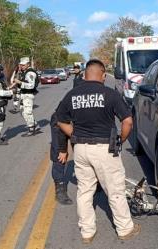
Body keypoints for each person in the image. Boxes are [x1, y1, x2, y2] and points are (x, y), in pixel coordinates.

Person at [56, 59, 140, 244]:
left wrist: (74, 134)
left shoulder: (72, 94)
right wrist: (121, 139)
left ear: (85, 75)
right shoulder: (110, 94)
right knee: (115, 190)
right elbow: (127, 121)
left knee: (85, 191)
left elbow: (60, 120)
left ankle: (87, 232)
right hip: (104, 150)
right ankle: (125, 229)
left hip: (80, 150)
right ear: (103, 75)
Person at [50, 105, 73, 205]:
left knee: (84, 151)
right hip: (60, 120)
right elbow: (60, 127)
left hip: (80, 122)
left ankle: (95, 182)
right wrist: (63, 150)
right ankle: (59, 188)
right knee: (59, 154)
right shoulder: (74, 95)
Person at [12, 57, 39, 136]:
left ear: (28, 64)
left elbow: (31, 86)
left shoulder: (30, 73)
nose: (22, 66)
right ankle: (34, 124)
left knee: (27, 112)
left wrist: (20, 82)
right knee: (22, 111)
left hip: (28, 94)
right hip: (24, 94)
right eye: (21, 65)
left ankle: (31, 129)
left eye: (23, 65)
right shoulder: (25, 72)